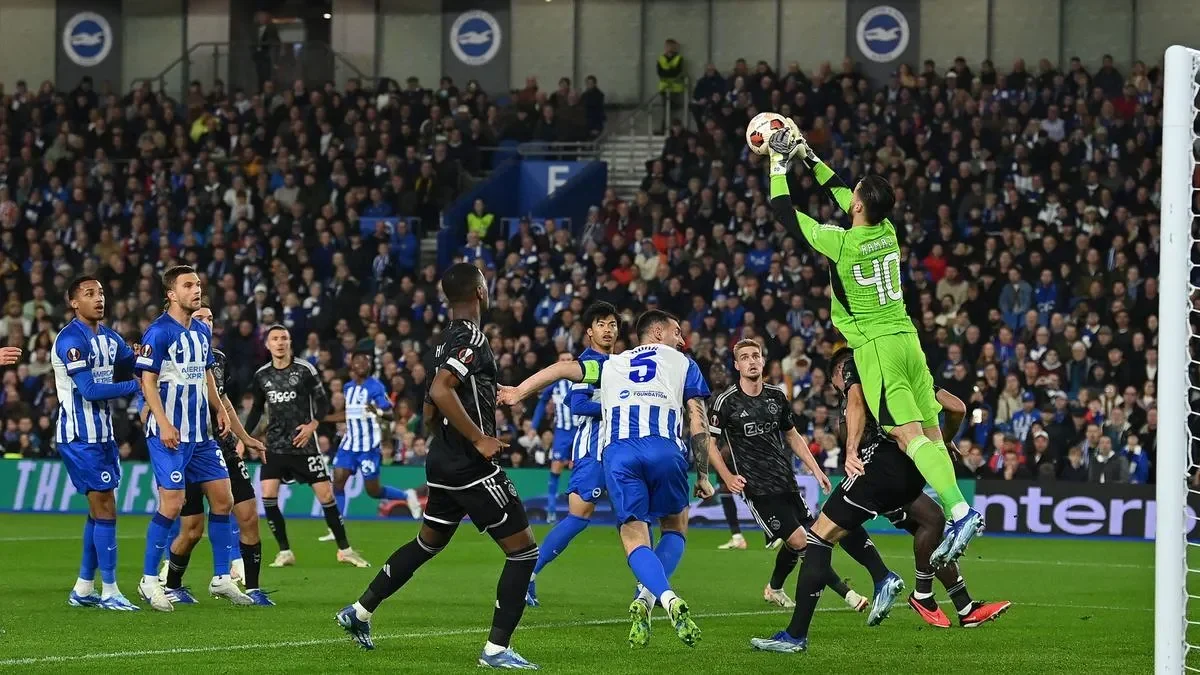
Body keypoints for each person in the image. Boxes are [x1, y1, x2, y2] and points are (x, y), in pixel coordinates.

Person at [765, 129, 982, 568]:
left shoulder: (841, 243)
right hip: (909, 339)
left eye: (855, 196)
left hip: (878, 349)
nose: (850, 197)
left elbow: (784, 212)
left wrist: (777, 163)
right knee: (932, 432)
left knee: (906, 435)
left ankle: (961, 513)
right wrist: (808, 155)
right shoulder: (887, 231)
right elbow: (843, 190)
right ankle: (959, 509)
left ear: (858, 206)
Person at [337, 263, 541, 670]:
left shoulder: (443, 339)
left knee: (428, 542)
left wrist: (467, 411)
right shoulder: (472, 336)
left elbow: (432, 404)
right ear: (481, 290)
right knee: (523, 553)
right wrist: (478, 437)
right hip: (470, 466)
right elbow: (439, 389)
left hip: (442, 462)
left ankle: (359, 611)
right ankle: (496, 650)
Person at [751, 349, 1006, 654]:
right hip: (916, 466)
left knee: (819, 536)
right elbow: (957, 408)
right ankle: (957, 604)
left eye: (836, 381)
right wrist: (940, 441)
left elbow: (853, 415)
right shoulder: (905, 369)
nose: (838, 388)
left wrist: (851, 450)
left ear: (838, 371)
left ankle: (798, 634)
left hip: (880, 468)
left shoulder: (855, 369)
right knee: (932, 520)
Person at [499, 309, 716, 649]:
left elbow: (562, 369)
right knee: (674, 527)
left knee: (633, 537)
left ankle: (664, 598)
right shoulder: (683, 362)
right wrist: (703, 474)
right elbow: (698, 423)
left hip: (617, 454)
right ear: (658, 333)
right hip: (661, 448)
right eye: (677, 332)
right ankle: (649, 598)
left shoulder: (613, 363)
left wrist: (517, 393)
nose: (682, 339)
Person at [710, 339, 880, 615]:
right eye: (745, 357)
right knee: (804, 542)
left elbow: (792, 435)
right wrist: (727, 476)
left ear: (763, 361)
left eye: (756, 356)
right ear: (736, 364)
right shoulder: (726, 402)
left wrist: (815, 469)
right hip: (758, 489)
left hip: (786, 483)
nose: (751, 361)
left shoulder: (776, 396)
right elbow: (709, 442)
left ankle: (774, 588)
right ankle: (848, 595)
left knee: (800, 541)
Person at [135, 265, 249, 611]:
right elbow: (147, 382)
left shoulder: (200, 331)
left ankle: (220, 578)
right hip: (168, 436)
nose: (196, 289)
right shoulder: (158, 333)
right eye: (188, 285)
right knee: (171, 505)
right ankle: (149, 580)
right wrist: (164, 422)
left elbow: (205, 375)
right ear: (171, 294)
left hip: (201, 436)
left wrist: (218, 409)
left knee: (223, 499)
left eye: (198, 284)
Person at [156, 303, 272, 606]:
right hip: (188, 447)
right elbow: (153, 392)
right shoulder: (170, 348)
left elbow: (223, 400)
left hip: (223, 449)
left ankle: (253, 588)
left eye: (210, 317)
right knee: (192, 530)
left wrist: (244, 437)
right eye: (200, 317)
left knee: (247, 515)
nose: (207, 321)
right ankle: (171, 584)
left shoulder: (217, 358)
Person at [244, 325, 368, 569]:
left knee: (326, 496)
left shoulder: (305, 370)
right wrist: (245, 438)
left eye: (284, 338)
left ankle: (345, 550)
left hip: (304, 446)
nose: (280, 343)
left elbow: (322, 403)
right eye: (275, 339)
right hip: (275, 446)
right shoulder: (261, 375)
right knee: (268, 497)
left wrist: (313, 425)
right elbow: (257, 409)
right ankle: (285, 551)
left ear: (290, 343)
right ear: (268, 345)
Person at [53, 275, 140, 610]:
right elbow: (88, 390)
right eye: (89, 294)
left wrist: (152, 361)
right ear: (74, 302)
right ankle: (111, 591)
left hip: (103, 436)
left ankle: (84, 588)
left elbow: (136, 365)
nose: (98, 298)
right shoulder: (71, 340)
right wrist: (134, 388)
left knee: (98, 510)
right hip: (79, 437)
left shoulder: (110, 338)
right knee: (105, 509)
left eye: (101, 293)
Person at [525, 301, 618, 607]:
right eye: (601, 325)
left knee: (639, 518)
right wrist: (614, 408)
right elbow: (576, 404)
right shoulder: (588, 363)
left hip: (621, 451)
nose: (608, 330)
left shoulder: (619, 363)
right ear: (590, 332)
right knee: (579, 517)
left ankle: (647, 591)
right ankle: (528, 573)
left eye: (613, 324)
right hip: (593, 449)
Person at [323, 349, 422, 543]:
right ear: (352, 365)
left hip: (368, 446)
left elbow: (390, 414)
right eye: (357, 361)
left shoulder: (375, 387)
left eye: (365, 361)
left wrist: (375, 410)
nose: (361, 364)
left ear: (369, 366)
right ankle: (337, 527)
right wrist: (323, 418)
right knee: (339, 479)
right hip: (349, 444)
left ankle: (406, 494)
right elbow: (348, 414)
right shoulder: (348, 387)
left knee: (373, 491)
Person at [530, 353, 579, 524]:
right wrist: (533, 426)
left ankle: (577, 512)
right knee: (556, 468)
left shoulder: (581, 380)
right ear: (558, 363)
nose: (566, 363)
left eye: (568, 360)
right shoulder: (555, 384)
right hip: (562, 432)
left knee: (580, 470)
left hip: (581, 430)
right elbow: (542, 402)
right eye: (562, 360)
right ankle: (551, 511)